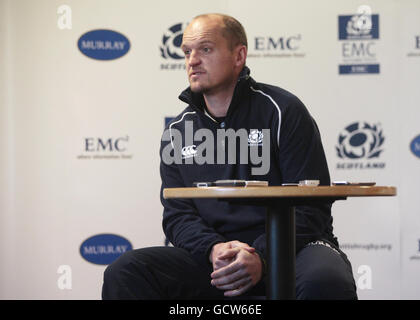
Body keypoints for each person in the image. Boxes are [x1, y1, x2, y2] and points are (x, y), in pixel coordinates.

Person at [102, 13, 357, 300]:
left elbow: (312, 206)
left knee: (325, 281)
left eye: (206, 49)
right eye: (187, 52)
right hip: (216, 255)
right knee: (126, 272)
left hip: (291, 248)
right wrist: (213, 249)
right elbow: (178, 215)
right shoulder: (177, 130)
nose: (192, 60)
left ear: (239, 57)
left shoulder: (284, 110)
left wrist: (261, 256)